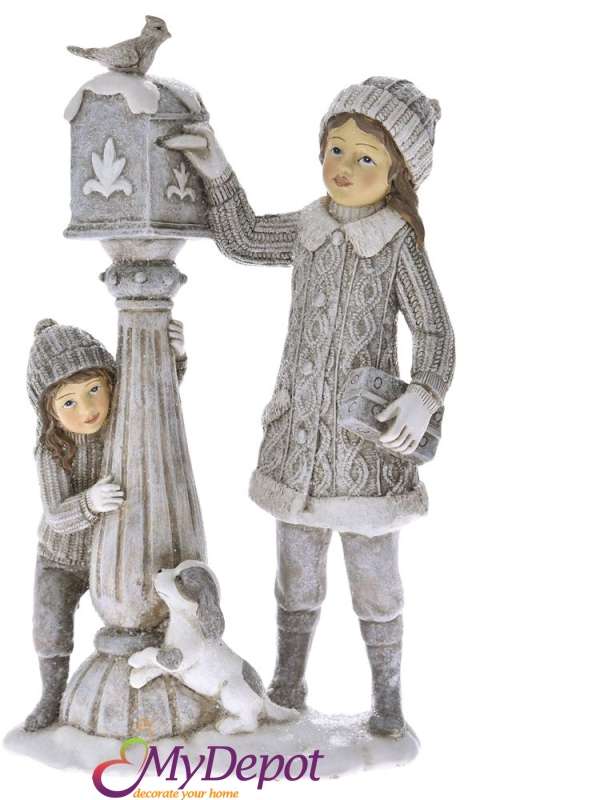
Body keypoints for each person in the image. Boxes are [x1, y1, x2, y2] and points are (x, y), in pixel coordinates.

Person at [163, 77, 455, 737]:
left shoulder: (397, 244)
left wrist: (424, 393)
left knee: (375, 582)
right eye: (336, 149)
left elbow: (435, 331)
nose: (344, 166)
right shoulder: (308, 229)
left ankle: (387, 701)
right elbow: (242, 239)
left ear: (398, 173)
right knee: (295, 576)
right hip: (297, 443)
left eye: (365, 157)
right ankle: (288, 683)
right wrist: (217, 169)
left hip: (364, 453)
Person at [23, 317, 186, 731]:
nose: (88, 409)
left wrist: (172, 357)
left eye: (94, 390)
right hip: (62, 557)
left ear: (112, 383)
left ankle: (166, 673)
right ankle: (52, 695)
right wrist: (89, 503)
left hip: (114, 550)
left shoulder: (122, 420)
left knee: (152, 607)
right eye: (69, 403)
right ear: (49, 412)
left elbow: (157, 397)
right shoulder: (51, 451)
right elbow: (56, 515)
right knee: (50, 624)